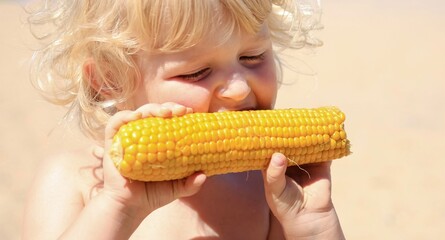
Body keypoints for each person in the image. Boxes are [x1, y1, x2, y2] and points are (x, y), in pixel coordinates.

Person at [23, 0, 345, 239]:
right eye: (197, 72)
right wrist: (117, 208)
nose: (238, 87)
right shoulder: (73, 182)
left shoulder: (269, 192)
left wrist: (314, 226)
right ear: (110, 81)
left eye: (253, 57)